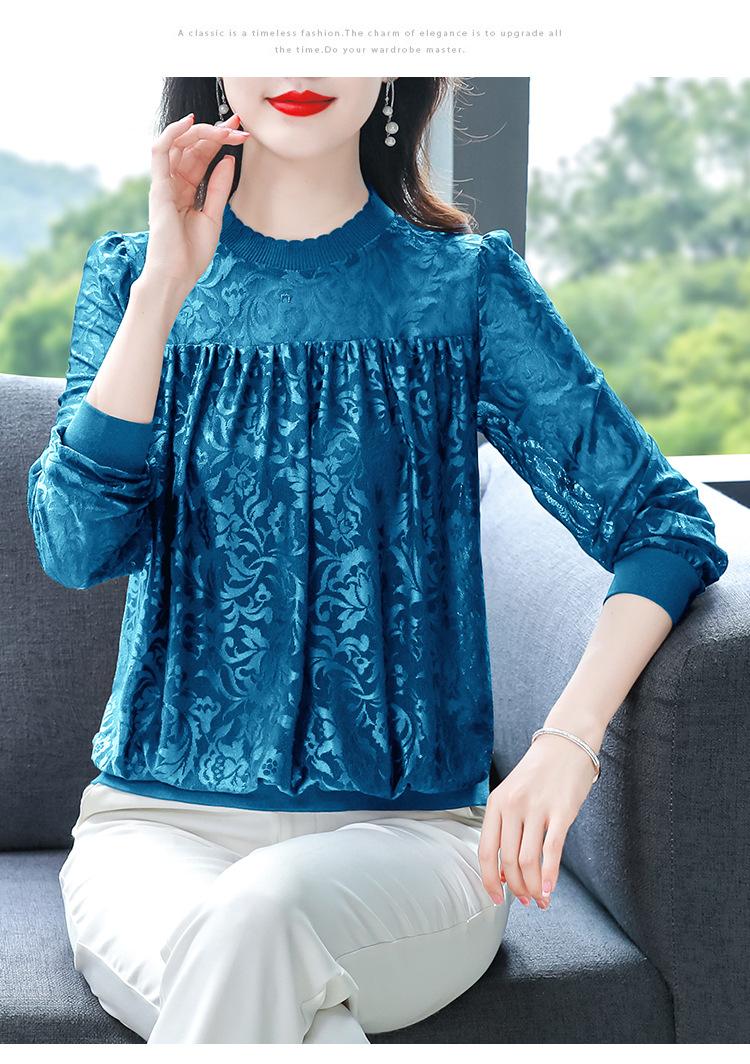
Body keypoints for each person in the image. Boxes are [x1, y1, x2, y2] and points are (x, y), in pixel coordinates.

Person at [27, 77, 728, 1044]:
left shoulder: (464, 288)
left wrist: (566, 744)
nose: (302, 53)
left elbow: (662, 522)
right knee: (297, 1011)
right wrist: (162, 292)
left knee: (266, 914)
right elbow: (74, 547)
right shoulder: (130, 280)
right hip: (152, 835)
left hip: (414, 846)